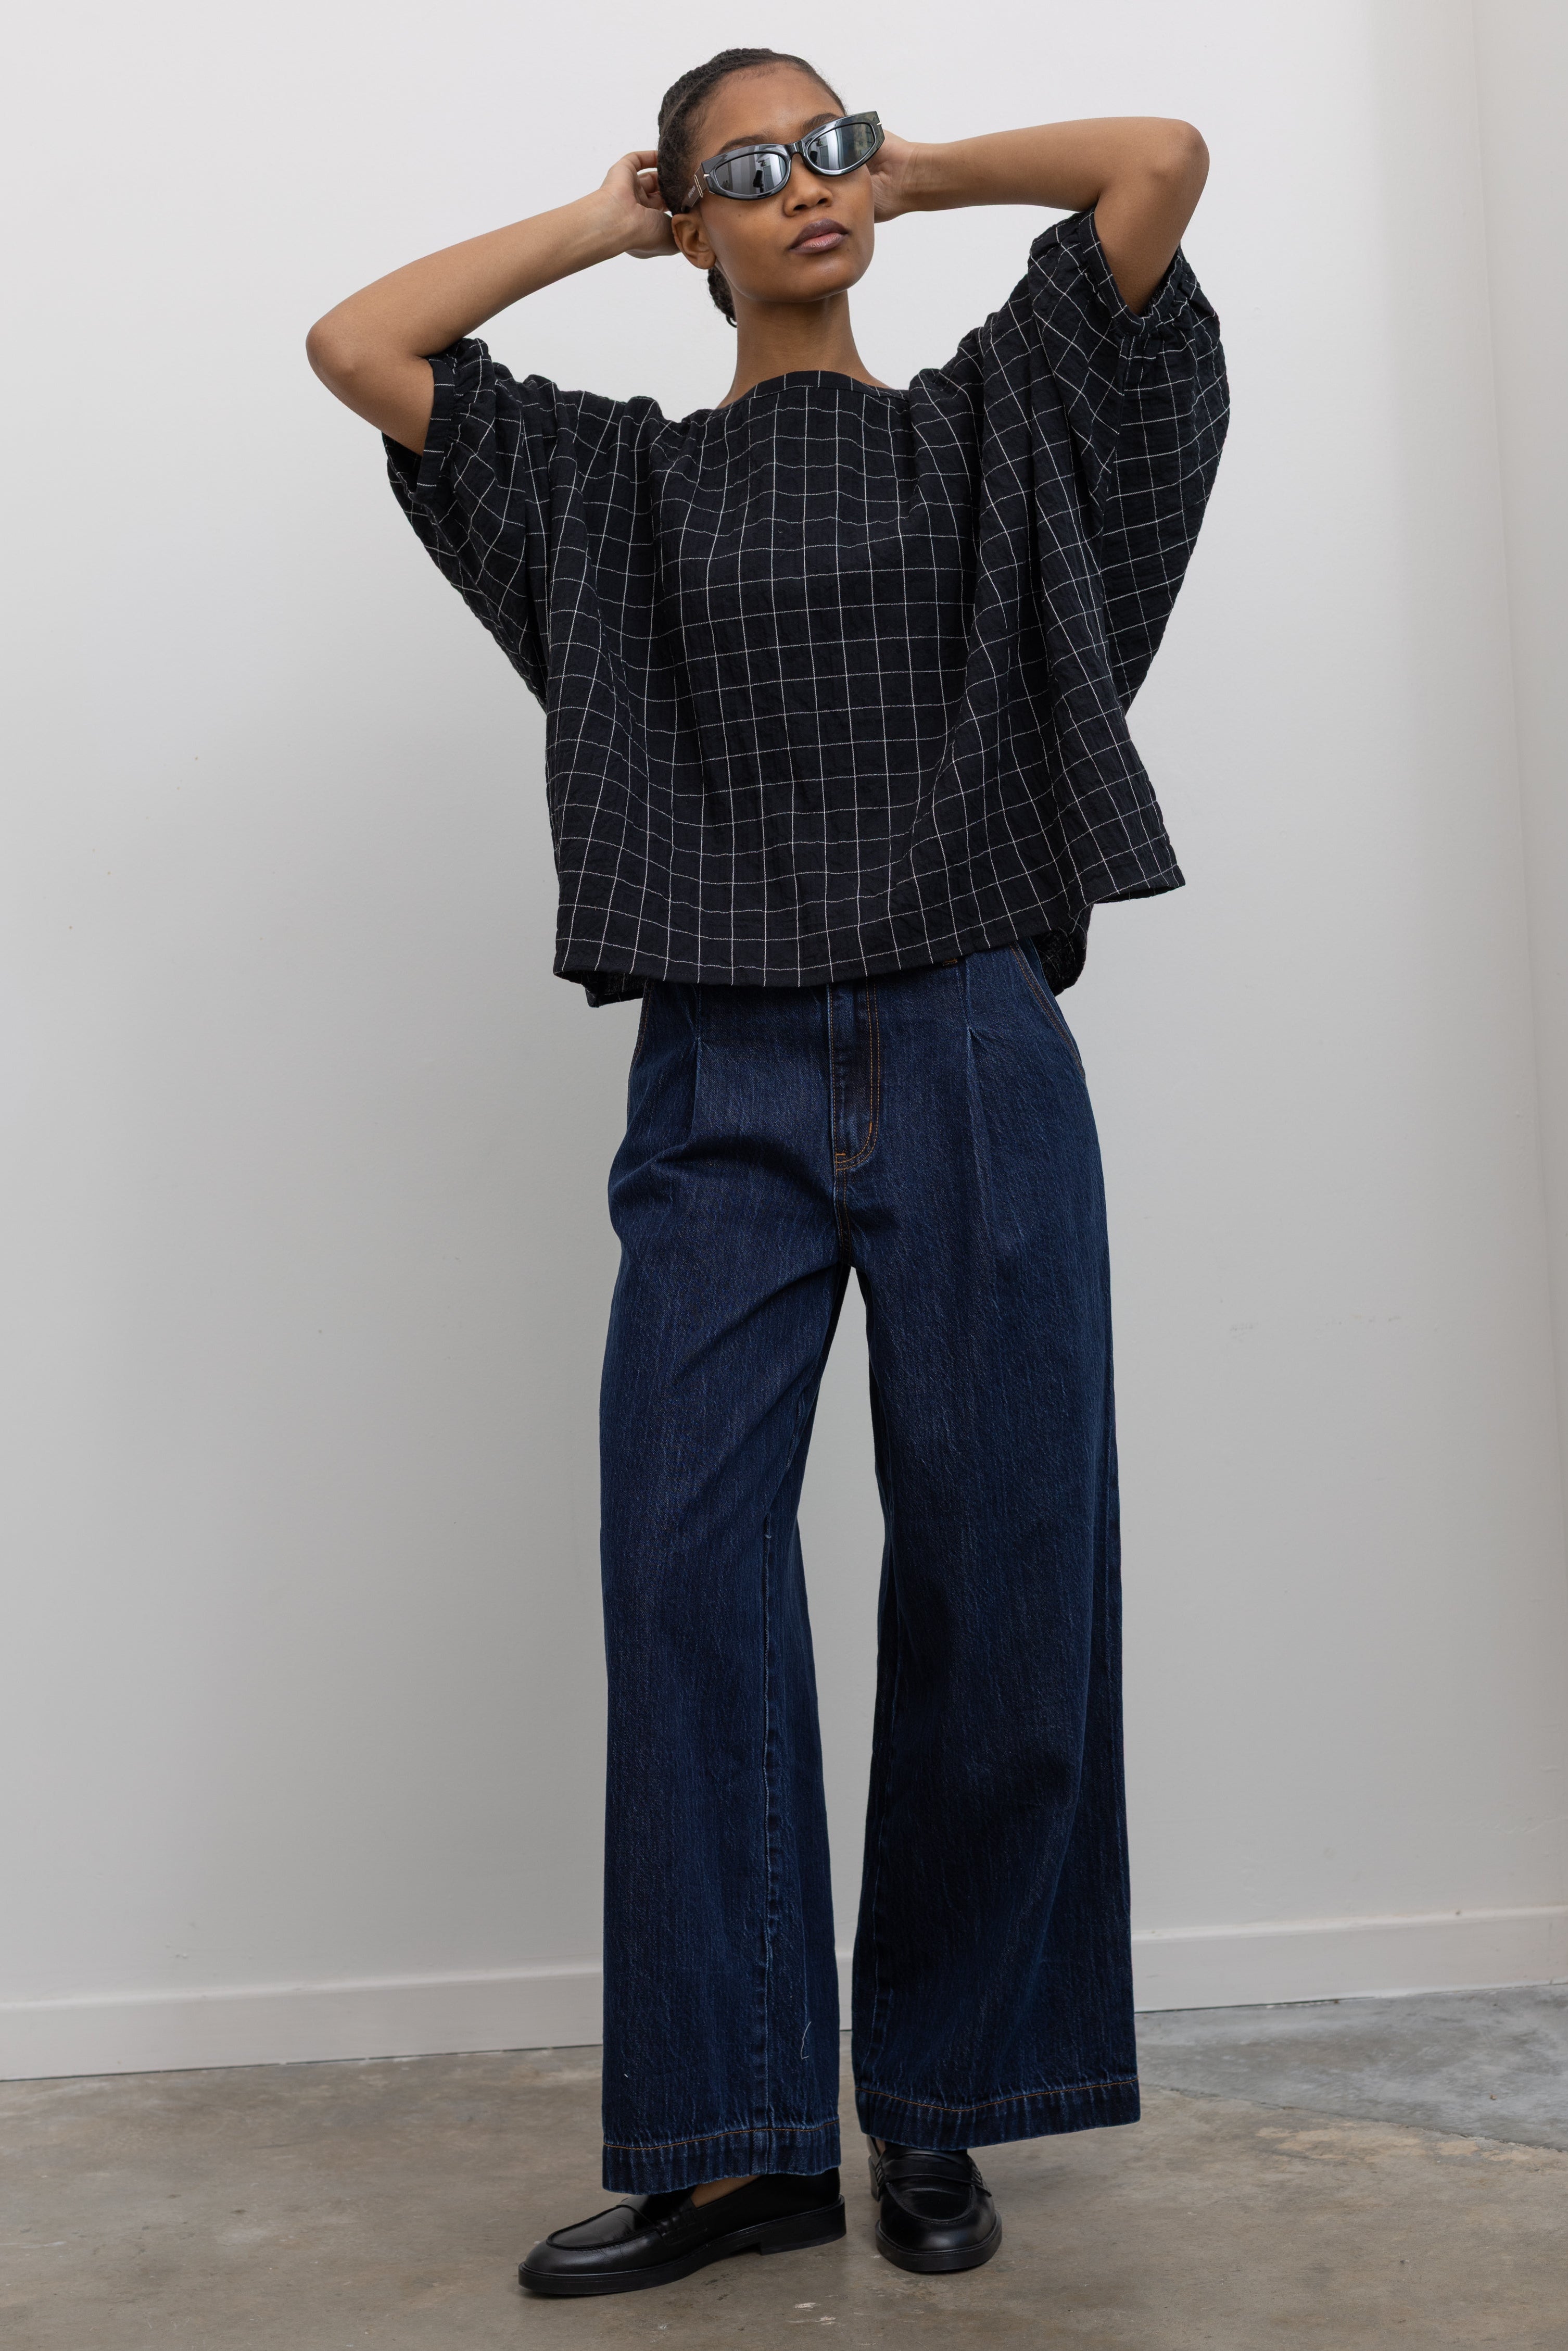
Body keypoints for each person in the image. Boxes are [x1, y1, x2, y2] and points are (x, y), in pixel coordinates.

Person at [306, 45, 1225, 2298]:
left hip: (976, 1041)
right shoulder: (607, 491)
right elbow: (364, 346)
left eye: (829, 149)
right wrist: (606, 214)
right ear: (691, 227)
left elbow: (1158, 163)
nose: (804, 187)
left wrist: (923, 171)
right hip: (719, 1070)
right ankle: (735, 2137)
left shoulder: (990, 417)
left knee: (1004, 1576)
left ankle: (938, 2107)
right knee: (689, 1572)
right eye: (751, 170)